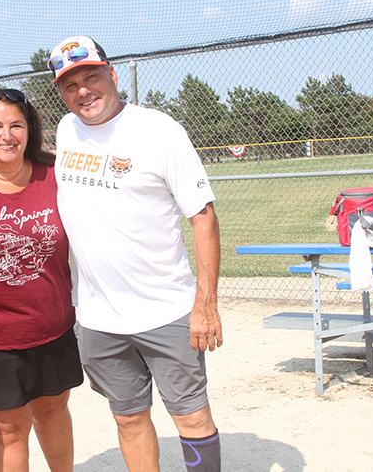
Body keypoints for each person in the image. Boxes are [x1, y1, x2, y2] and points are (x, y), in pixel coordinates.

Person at [48, 36, 223, 472]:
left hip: (166, 310)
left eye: (91, 77)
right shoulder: (66, 130)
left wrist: (205, 305)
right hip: (97, 317)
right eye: (70, 85)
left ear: (112, 73)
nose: (83, 91)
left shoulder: (158, 130)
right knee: (127, 418)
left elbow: (203, 216)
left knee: (191, 415)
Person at [0, 88, 83, 471]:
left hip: (52, 326)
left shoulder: (55, 174)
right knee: (9, 429)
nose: (6, 135)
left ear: (30, 130)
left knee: (54, 410)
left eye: (16, 125)